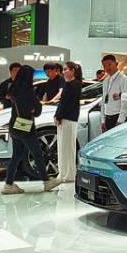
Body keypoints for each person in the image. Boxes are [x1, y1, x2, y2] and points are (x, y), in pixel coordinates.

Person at [1, 65, 54, 194]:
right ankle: (46, 181)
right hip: (26, 127)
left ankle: (8, 184)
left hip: (14, 125)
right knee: (37, 154)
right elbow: (37, 110)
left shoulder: (13, 89)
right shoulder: (28, 91)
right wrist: (36, 107)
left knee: (16, 156)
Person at [50, 61, 82, 189]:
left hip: (68, 119)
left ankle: (68, 174)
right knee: (63, 147)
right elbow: (62, 102)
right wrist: (57, 115)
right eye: (63, 70)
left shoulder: (74, 84)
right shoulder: (69, 84)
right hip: (65, 119)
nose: (63, 72)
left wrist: (58, 116)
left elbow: (68, 103)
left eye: (66, 69)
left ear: (73, 71)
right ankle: (64, 173)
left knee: (68, 147)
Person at [99, 54, 127, 131]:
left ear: (116, 64)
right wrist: (103, 120)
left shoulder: (123, 79)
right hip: (107, 118)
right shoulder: (106, 80)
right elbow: (104, 100)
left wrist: (120, 121)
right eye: (104, 66)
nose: (107, 68)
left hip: (117, 118)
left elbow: (125, 102)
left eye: (109, 64)